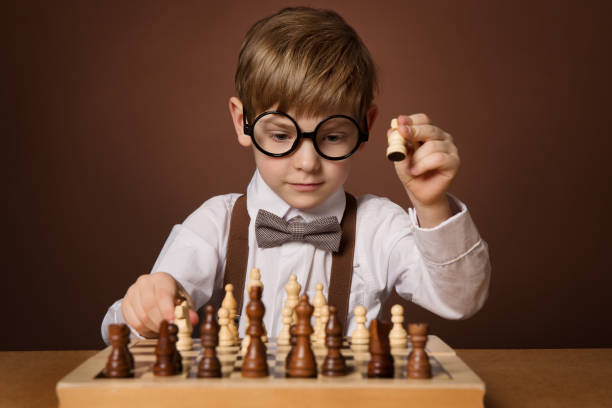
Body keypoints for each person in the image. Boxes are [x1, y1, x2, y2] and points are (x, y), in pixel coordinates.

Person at [101, 6, 490, 344]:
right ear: (243, 122)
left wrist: (431, 204)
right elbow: (123, 326)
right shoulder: (214, 225)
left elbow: (461, 299)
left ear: (366, 125)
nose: (307, 162)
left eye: (333, 136)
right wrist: (148, 307)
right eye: (282, 135)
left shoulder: (379, 226)